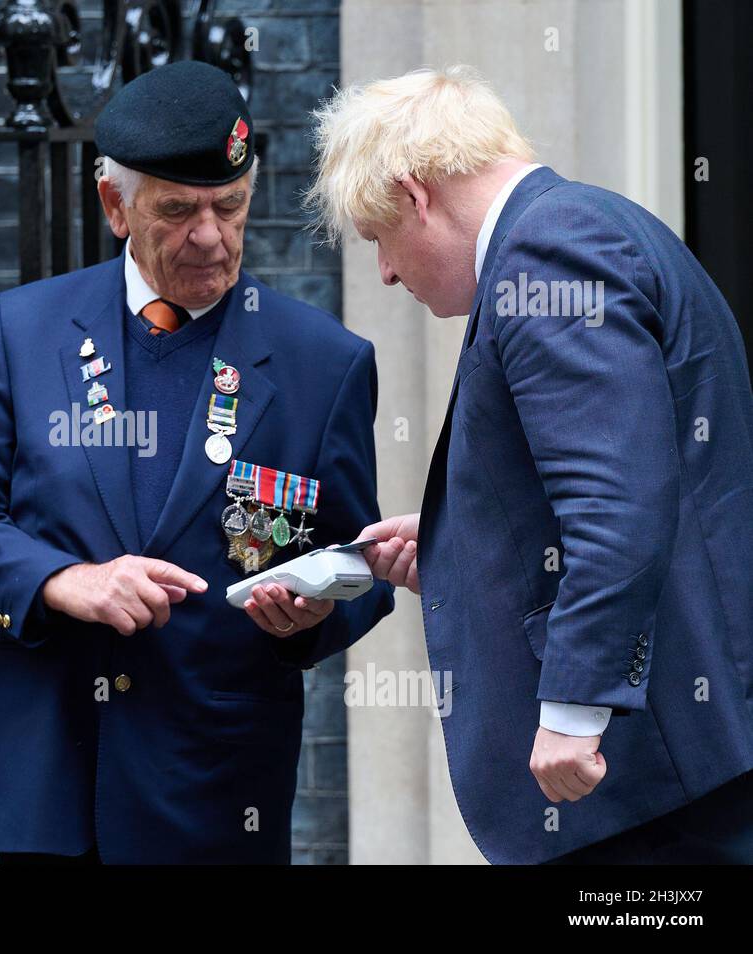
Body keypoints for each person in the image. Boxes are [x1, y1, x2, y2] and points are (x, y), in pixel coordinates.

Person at [0, 60, 393, 864]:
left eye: (230, 206)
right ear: (115, 206)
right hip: (52, 787)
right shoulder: (21, 330)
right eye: (177, 211)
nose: (211, 235)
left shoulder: (324, 363)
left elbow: (362, 561)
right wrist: (65, 582)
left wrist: (315, 616)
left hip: (216, 792)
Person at [305, 65, 753, 863]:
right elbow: (617, 475)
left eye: (378, 239)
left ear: (415, 196)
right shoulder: (582, 228)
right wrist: (450, 539)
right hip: (670, 768)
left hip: (645, 785)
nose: (385, 272)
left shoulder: (548, 252)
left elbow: (619, 503)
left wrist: (576, 705)